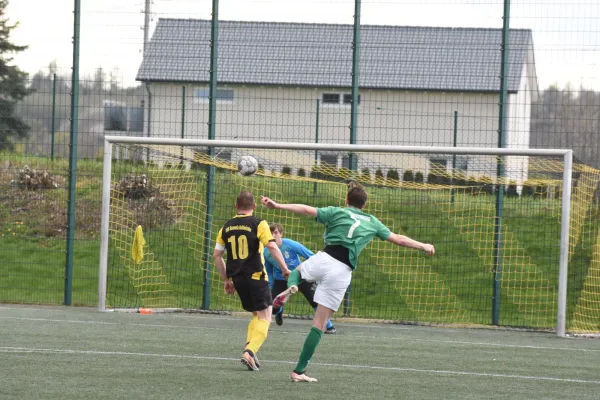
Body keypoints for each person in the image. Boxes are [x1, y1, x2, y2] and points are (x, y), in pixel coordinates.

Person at [261, 182, 435, 383]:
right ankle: (298, 371)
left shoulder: (337, 212)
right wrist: (424, 245)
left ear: (347, 201)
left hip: (325, 257)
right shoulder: (372, 222)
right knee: (319, 324)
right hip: (342, 271)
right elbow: (398, 239)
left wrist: (278, 206)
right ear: (364, 204)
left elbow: (307, 210)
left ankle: (290, 288)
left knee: (296, 274)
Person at [213, 191, 290, 372]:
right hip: (256, 277)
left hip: (237, 279)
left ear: (236, 206)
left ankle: (251, 352)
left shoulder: (226, 226)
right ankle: (249, 352)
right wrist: (285, 269)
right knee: (266, 317)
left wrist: (226, 280)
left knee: (257, 315)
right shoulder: (259, 223)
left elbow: (217, 255)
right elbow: (271, 246)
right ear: (254, 207)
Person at [264, 223, 336, 334]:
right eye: (270, 233)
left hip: (300, 275)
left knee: (314, 299)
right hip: (280, 279)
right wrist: (271, 285)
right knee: (273, 303)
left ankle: (329, 326)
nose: (273, 235)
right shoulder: (266, 252)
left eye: (276, 233)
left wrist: (314, 273)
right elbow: (269, 270)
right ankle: (278, 313)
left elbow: (311, 256)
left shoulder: (290, 245)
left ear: (281, 234)